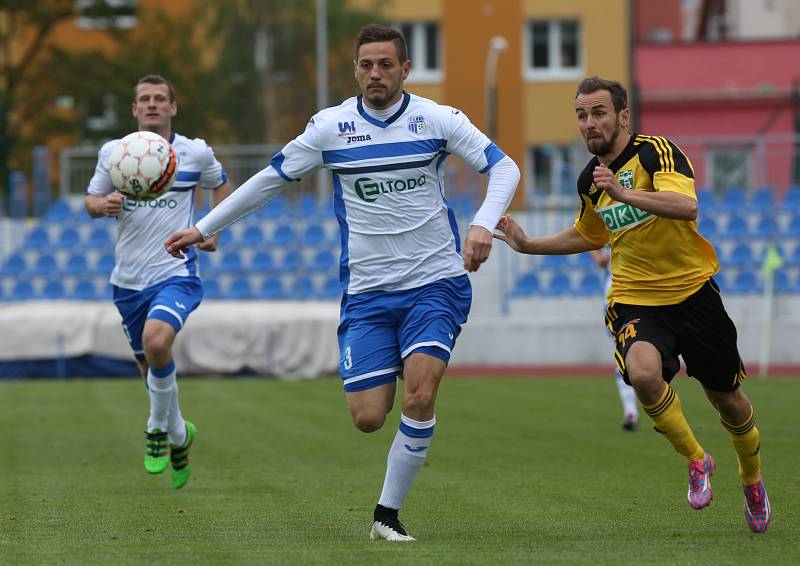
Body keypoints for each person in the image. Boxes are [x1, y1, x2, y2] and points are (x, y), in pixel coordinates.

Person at [165, 24, 519, 541]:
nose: (375, 73)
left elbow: (504, 167)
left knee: (420, 395)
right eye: (366, 65)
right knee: (368, 417)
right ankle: (397, 371)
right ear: (355, 70)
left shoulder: (437, 119)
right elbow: (268, 181)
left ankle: (386, 516)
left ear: (404, 70)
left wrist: (484, 222)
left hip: (434, 282)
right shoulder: (331, 128)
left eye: (385, 64)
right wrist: (203, 227)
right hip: (369, 293)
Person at [494, 76, 771, 533]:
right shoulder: (590, 180)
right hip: (634, 297)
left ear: (623, 116)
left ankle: (752, 479)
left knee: (730, 403)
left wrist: (623, 193)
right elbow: (589, 234)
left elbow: (686, 207)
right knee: (642, 374)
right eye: (581, 115)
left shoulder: (656, 152)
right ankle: (697, 461)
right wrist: (528, 245)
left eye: (599, 112)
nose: (589, 123)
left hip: (694, 293)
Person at [85, 75, 231, 490]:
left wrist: (212, 228)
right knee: (151, 368)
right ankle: (180, 435)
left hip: (175, 272)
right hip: (127, 279)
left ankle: (155, 428)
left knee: (156, 342)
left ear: (173, 107)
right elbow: (90, 201)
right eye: (144, 99)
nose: (152, 105)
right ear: (133, 109)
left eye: (159, 99)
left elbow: (222, 186)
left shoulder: (195, 152)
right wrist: (103, 204)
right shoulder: (114, 154)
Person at [589, 247, 639, 431]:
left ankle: (640, 409)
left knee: (636, 355)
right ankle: (631, 410)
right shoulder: (606, 223)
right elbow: (595, 249)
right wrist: (597, 255)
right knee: (623, 351)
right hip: (617, 294)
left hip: (644, 290)